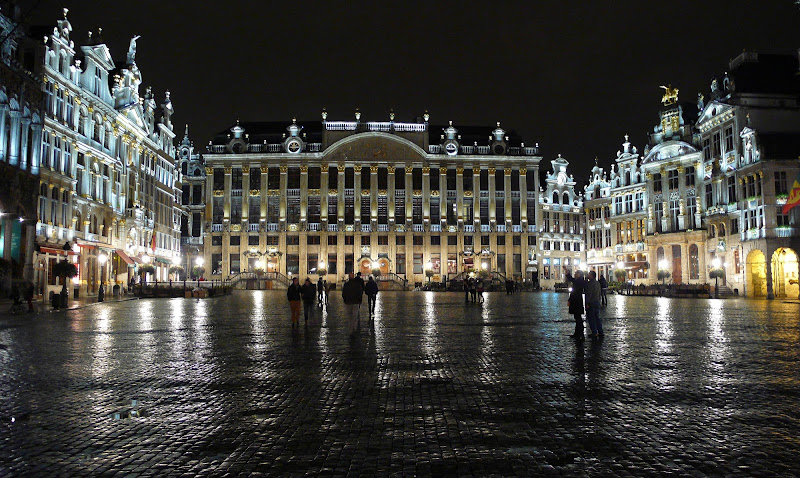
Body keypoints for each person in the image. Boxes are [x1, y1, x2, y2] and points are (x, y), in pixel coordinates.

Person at [564, 267, 587, 340]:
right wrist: (567, 271)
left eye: (576, 273)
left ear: (579, 274)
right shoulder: (578, 280)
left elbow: (574, 292)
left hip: (576, 301)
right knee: (577, 317)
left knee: (578, 318)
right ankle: (577, 333)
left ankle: (580, 333)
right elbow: (571, 279)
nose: (575, 274)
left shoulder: (579, 281)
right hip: (577, 301)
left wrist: (570, 300)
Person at [585, 271, 603, 338]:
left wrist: (587, 303)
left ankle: (594, 332)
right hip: (597, 302)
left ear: (592, 276)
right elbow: (599, 293)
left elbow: (589, 294)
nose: (588, 275)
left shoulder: (590, 284)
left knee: (591, 318)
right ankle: (600, 331)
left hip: (591, 303)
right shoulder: (598, 283)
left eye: (589, 275)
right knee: (597, 317)